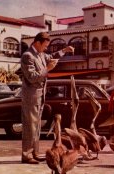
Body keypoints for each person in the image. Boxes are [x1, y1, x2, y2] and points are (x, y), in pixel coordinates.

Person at [20, 32, 74, 164]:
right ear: (37, 43)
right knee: (30, 126)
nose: (46, 49)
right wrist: (47, 69)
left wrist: (64, 50)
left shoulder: (40, 54)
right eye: (44, 46)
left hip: (39, 95)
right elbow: (32, 77)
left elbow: (51, 56)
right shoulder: (28, 56)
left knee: (37, 126)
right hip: (31, 96)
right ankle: (26, 155)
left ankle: (34, 152)